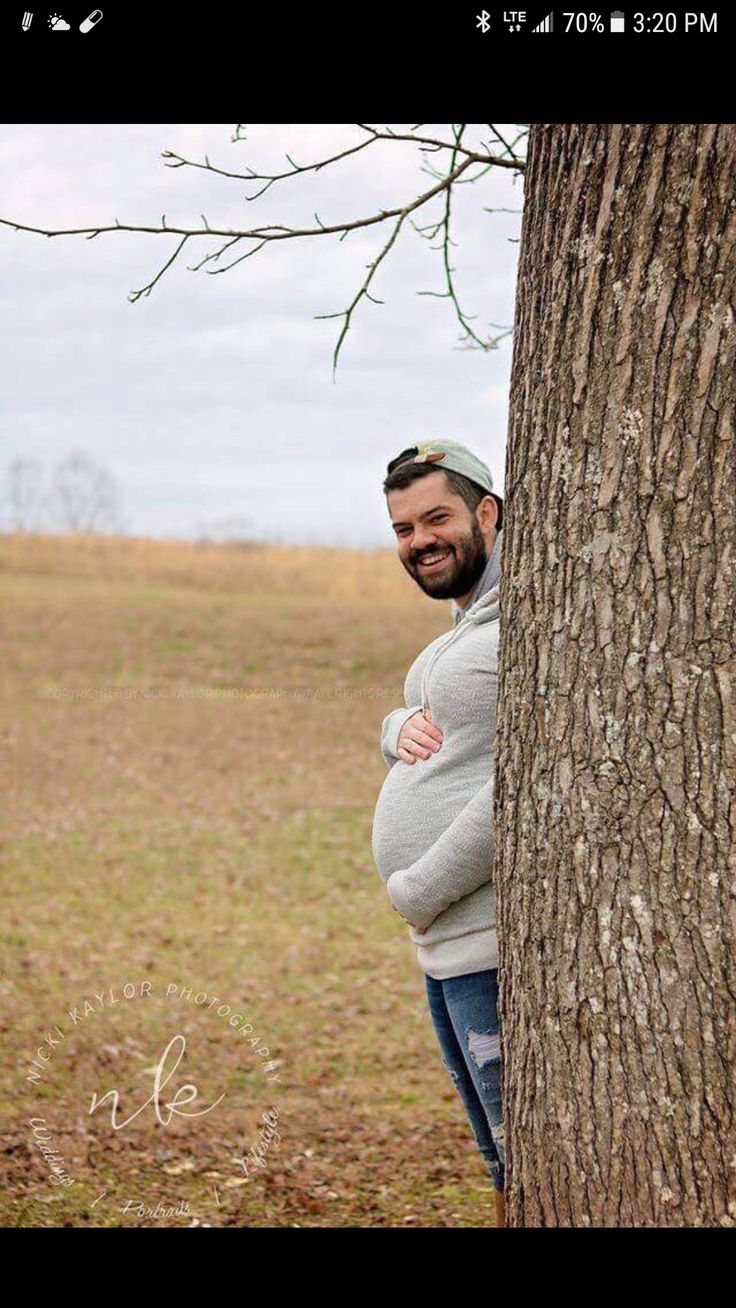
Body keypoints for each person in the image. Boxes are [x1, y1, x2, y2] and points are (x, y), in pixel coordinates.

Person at [371, 438, 506, 1228]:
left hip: (483, 939)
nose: (418, 540)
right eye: (401, 528)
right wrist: (395, 727)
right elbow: (441, 724)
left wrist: (421, 888)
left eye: (436, 518)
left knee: (523, 1161)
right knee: (497, 1159)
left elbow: (520, 783)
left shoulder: (530, 617)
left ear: (486, 512)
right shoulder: (464, 628)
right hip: (445, 945)